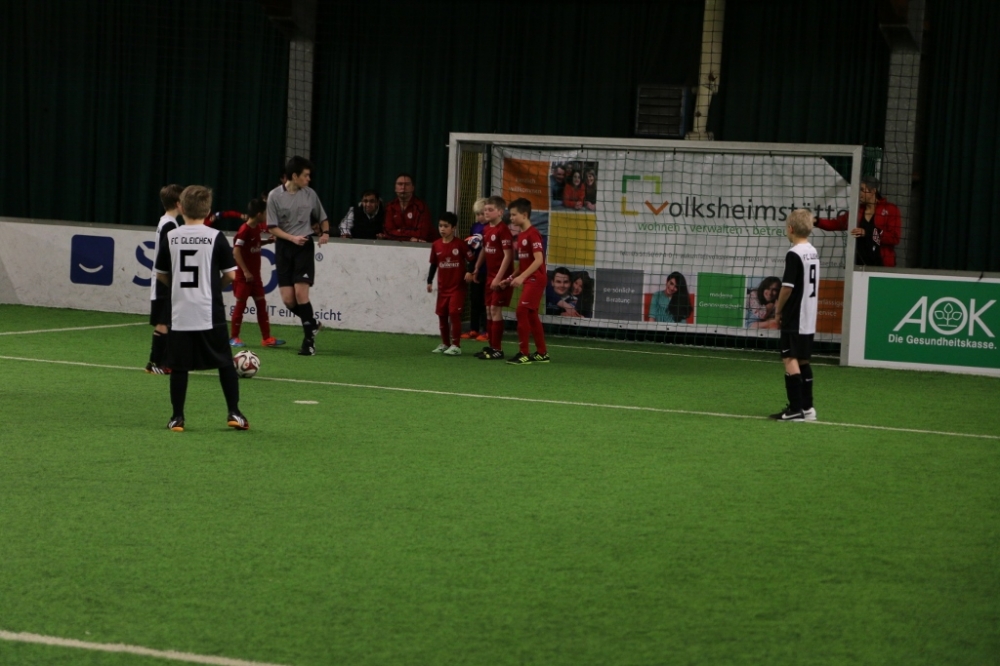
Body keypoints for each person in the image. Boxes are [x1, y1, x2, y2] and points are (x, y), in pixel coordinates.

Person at [153, 185, 249, 432]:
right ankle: (234, 412)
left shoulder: (171, 237)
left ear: (182, 207)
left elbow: (161, 274)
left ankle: (177, 417)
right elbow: (231, 275)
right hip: (209, 310)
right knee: (224, 362)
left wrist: (178, 287)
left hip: (180, 312)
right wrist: (215, 287)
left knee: (179, 365)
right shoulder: (215, 237)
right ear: (207, 210)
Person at [266, 156, 330, 356]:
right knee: (288, 300)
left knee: (301, 294)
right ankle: (312, 323)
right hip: (284, 247)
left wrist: (326, 233)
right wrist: (291, 238)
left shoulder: (310, 194)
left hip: (304, 247)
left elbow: (323, 218)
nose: (309, 179)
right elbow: (272, 227)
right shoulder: (274, 196)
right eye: (306, 175)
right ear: (294, 176)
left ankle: (308, 342)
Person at [770, 209, 820, 422]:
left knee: (789, 358)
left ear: (790, 228)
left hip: (795, 315)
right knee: (803, 360)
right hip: (809, 315)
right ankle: (808, 408)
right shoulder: (812, 251)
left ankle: (795, 409)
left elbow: (787, 288)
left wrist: (778, 310)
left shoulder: (794, 253)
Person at [229, 197, 284, 348]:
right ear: (259, 214)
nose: (267, 215)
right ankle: (233, 337)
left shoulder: (256, 228)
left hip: (255, 277)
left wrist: (267, 242)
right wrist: (246, 272)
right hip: (244, 277)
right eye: (265, 213)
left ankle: (266, 338)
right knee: (240, 306)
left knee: (261, 305)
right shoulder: (244, 230)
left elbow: (254, 244)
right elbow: (236, 251)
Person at [815, 176, 901, 267]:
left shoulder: (891, 210)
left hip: (882, 266)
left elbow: (894, 238)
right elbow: (835, 224)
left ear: (873, 191)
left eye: (862, 190)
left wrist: (867, 232)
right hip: (858, 266)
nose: (859, 193)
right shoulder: (857, 211)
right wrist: (815, 221)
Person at [504, 198, 549, 364]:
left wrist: (522, 277)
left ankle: (524, 353)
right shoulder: (521, 235)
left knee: (521, 311)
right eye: (510, 215)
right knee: (531, 314)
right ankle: (542, 353)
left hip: (536, 278)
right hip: (530, 278)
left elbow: (538, 260)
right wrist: (510, 278)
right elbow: (524, 264)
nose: (511, 218)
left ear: (524, 215)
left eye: (514, 215)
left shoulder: (533, 234)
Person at [145, 184, 183, 375]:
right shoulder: (169, 225)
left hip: (163, 280)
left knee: (166, 322)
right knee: (163, 322)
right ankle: (156, 363)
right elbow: (167, 255)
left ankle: (160, 362)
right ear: (178, 203)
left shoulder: (167, 222)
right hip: (163, 282)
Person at [427, 212, 474, 356]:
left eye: (446, 226)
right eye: (440, 226)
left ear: (453, 228)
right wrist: (429, 281)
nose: (442, 229)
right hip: (443, 288)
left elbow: (472, 260)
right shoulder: (436, 245)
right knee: (442, 315)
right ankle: (445, 343)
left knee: (454, 313)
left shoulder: (460, 244)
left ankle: (456, 345)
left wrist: (470, 271)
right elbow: (433, 264)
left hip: (457, 287)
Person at [471, 196, 513, 360]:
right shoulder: (487, 229)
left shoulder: (503, 230)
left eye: (490, 210)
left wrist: (499, 278)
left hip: (501, 278)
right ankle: (491, 346)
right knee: (488, 310)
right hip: (489, 276)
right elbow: (484, 249)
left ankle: (497, 349)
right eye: (485, 210)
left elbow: (508, 256)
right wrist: (477, 267)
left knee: (495, 310)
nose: (486, 213)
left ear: (500, 212)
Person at [461, 198, 489, 342]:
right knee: (475, 299)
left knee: (486, 301)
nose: (480, 217)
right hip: (476, 269)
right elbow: (471, 250)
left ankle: (486, 330)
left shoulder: (491, 228)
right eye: (477, 214)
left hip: (488, 269)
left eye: (482, 214)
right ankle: (474, 329)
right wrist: (470, 269)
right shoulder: (475, 227)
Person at [382, 173, 433, 242]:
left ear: (413, 188)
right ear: (395, 188)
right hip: (395, 246)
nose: (403, 187)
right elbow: (388, 233)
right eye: (400, 184)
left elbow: (421, 234)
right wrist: (409, 238)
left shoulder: (421, 207)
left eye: (407, 184)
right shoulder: (390, 206)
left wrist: (399, 231)